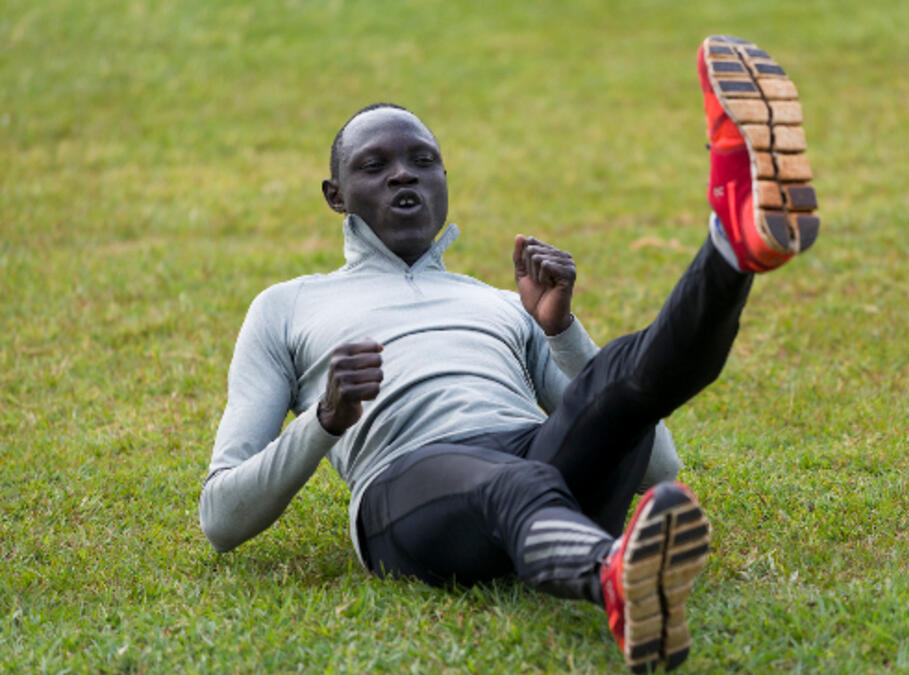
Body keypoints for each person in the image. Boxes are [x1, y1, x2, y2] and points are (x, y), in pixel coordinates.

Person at [199, 35, 818, 672]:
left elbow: (656, 466)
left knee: (616, 375)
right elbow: (220, 516)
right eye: (374, 165)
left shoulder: (497, 302)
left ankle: (733, 244)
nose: (403, 173)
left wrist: (559, 330)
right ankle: (615, 579)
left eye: (423, 159)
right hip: (405, 488)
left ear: (444, 180)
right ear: (336, 196)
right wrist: (324, 421)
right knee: (519, 482)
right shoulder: (287, 306)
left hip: (529, 454)